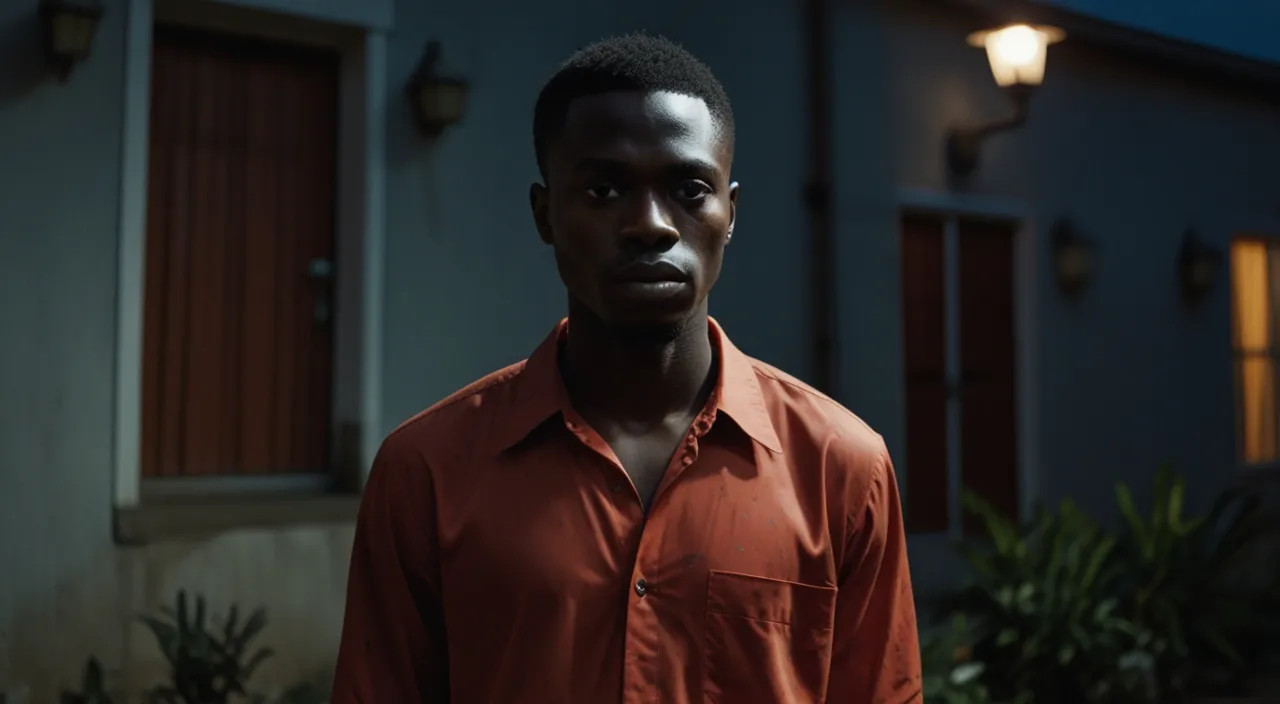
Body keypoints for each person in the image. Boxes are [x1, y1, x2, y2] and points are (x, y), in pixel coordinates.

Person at [331, 33, 921, 704]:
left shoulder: (841, 467)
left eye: (688, 189)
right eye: (604, 189)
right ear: (544, 213)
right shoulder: (426, 472)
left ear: (730, 215)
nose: (649, 225)